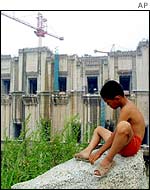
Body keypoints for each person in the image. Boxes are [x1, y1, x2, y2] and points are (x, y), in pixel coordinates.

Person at [74, 80, 145, 177]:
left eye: (108, 102)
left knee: (123, 126)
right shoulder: (125, 105)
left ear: (117, 98)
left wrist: (99, 152)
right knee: (99, 129)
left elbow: (117, 133)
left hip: (132, 147)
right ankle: (87, 152)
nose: (108, 105)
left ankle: (108, 160)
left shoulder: (127, 109)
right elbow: (115, 135)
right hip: (123, 143)